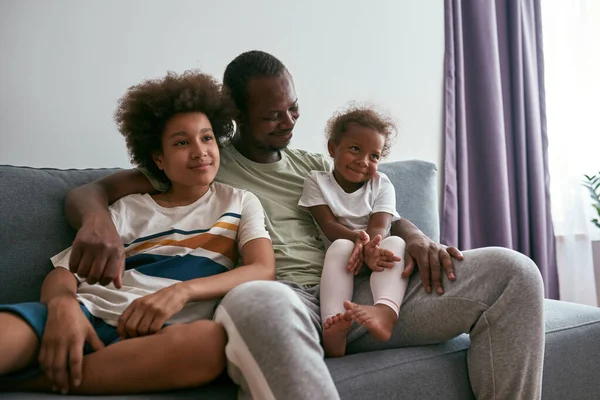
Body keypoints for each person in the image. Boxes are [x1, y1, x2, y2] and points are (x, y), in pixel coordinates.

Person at [62, 50, 546, 400]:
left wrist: (418, 238)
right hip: (287, 299)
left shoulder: (316, 162)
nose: (289, 121)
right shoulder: (204, 160)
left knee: (513, 271)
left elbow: (381, 205)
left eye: (293, 107)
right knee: (258, 297)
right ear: (235, 116)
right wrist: (96, 222)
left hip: (366, 289)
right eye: (273, 115)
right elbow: (90, 191)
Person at [0, 70, 275, 395]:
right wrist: (63, 308)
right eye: (182, 142)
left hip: (157, 335)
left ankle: (36, 382)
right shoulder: (127, 208)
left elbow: (261, 268)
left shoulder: (240, 202)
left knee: (210, 344)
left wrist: (182, 292)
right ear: (158, 158)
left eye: (207, 137)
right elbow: (63, 274)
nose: (200, 151)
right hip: (84, 313)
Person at [298, 104, 408, 357]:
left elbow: (380, 226)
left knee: (396, 245)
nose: (364, 161)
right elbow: (329, 226)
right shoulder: (316, 181)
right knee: (340, 246)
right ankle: (334, 325)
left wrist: (371, 247)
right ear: (333, 148)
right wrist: (359, 243)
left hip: (376, 252)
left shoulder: (383, 185)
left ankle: (386, 312)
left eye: (374, 156)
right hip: (344, 257)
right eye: (355, 149)